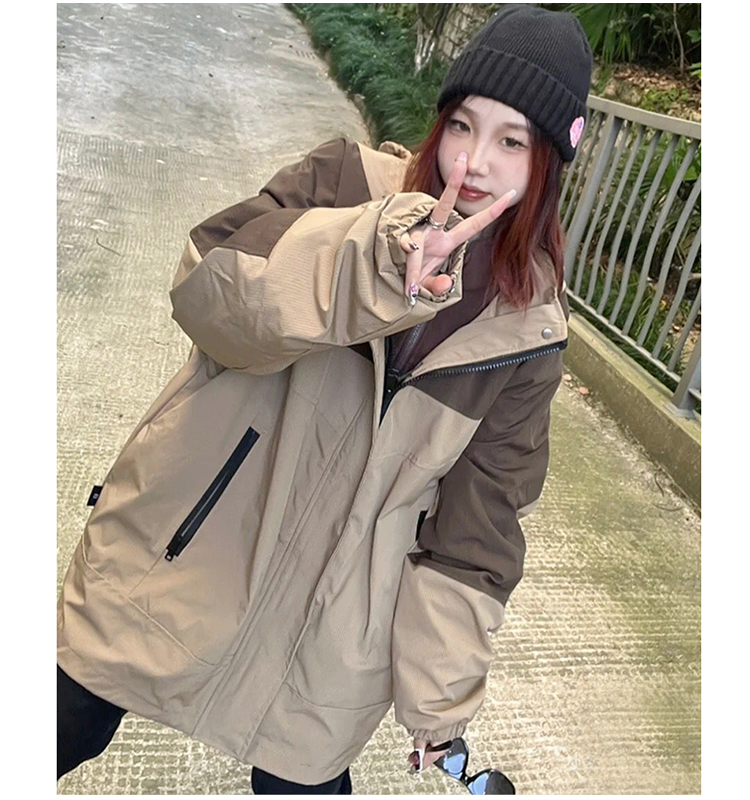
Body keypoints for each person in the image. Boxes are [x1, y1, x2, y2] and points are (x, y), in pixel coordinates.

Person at [57, 4, 592, 793]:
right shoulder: (344, 183)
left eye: (511, 142)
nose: (472, 161)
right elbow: (208, 298)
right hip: (185, 551)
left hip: (330, 641)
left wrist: (439, 709)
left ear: (548, 164)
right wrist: (372, 262)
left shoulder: (528, 333)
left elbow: (477, 531)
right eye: (461, 125)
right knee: (59, 722)